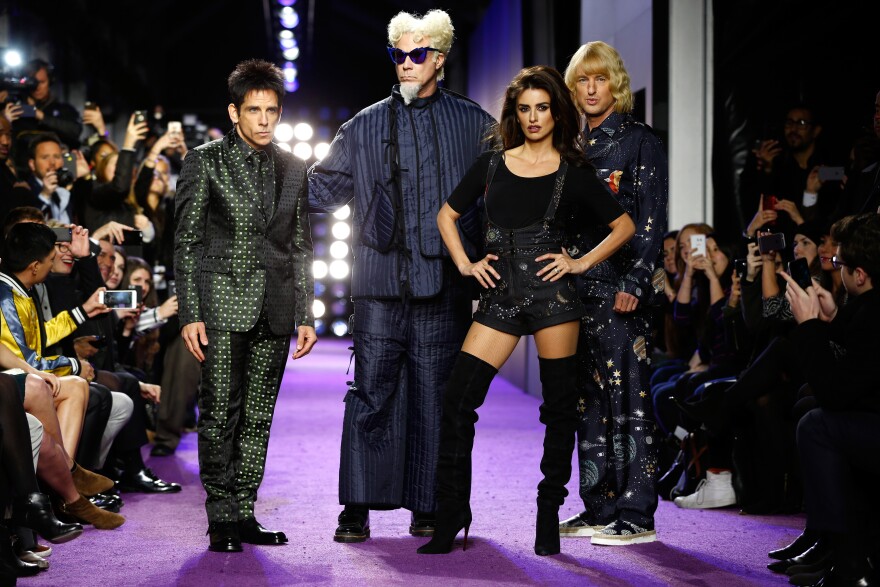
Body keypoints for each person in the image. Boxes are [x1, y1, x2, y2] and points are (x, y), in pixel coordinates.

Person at [417, 66, 634, 557]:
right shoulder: (493, 164)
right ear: (514, 115)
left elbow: (624, 226)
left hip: (554, 299)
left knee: (559, 410)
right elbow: (446, 215)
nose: (533, 117)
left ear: (556, 113)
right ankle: (452, 513)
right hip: (500, 298)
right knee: (458, 401)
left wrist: (579, 262)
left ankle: (547, 513)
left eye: (542, 108)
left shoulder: (572, 172)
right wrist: (466, 264)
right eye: (524, 109)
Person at [308, 9, 495, 543]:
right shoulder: (363, 126)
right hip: (378, 284)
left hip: (444, 284)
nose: (406, 63)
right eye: (398, 54)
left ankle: (429, 505)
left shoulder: (474, 125)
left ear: (439, 58)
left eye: (417, 54)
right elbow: (321, 191)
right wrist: (266, 167)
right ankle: (357, 506)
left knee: (436, 398)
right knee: (370, 392)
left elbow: (500, 198)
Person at [175, 59, 317, 553]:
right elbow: (187, 242)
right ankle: (220, 516)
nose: (263, 120)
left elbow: (300, 245)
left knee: (258, 415)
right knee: (219, 413)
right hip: (220, 304)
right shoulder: (205, 161)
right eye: (254, 110)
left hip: (276, 306)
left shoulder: (294, 167)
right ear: (234, 112)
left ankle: (244, 511)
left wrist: (306, 314)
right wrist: (190, 312)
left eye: (271, 111)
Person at [559, 41, 668, 545]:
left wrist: (636, 282)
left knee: (630, 402)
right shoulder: (571, 146)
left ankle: (637, 513)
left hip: (621, 293)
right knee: (588, 403)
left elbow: (650, 221)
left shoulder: (640, 141)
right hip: (575, 293)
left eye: (599, 79)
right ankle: (599, 506)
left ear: (615, 84)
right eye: (582, 80)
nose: (591, 89)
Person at [780, 213, 880, 586]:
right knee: (811, 410)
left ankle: (849, 564)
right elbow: (862, 365)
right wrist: (833, 319)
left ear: (860, 274)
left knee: (818, 424)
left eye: (839, 262)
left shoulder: (872, 312)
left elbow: (836, 393)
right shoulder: (868, 306)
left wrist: (809, 326)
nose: (835, 267)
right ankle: (833, 548)